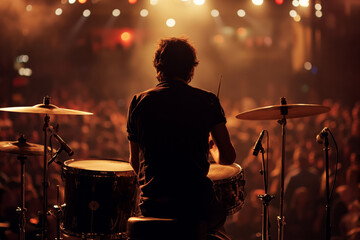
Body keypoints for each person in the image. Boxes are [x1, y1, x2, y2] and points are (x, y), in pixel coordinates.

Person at [127, 37, 236, 239]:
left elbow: (135, 163)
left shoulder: (139, 101)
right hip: (195, 204)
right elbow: (228, 158)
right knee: (222, 213)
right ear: (191, 68)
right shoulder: (207, 100)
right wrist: (212, 148)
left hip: (153, 204)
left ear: (158, 66)